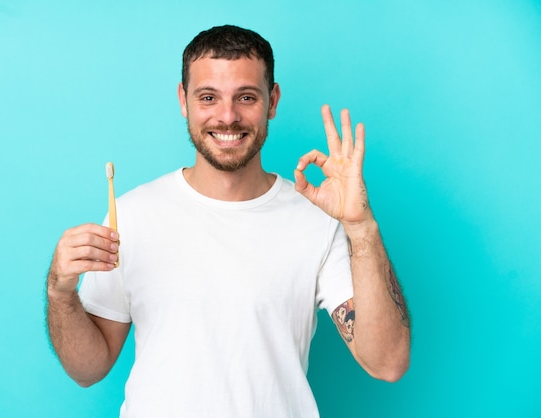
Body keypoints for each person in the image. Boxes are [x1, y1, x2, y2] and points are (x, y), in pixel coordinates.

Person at [46, 25, 410, 418]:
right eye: (208, 97)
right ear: (183, 100)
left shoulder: (316, 219)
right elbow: (88, 369)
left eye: (247, 97)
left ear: (272, 101)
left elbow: (387, 362)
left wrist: (360, 226)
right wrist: (60, 292)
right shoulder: (133, 214)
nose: (227, 116)